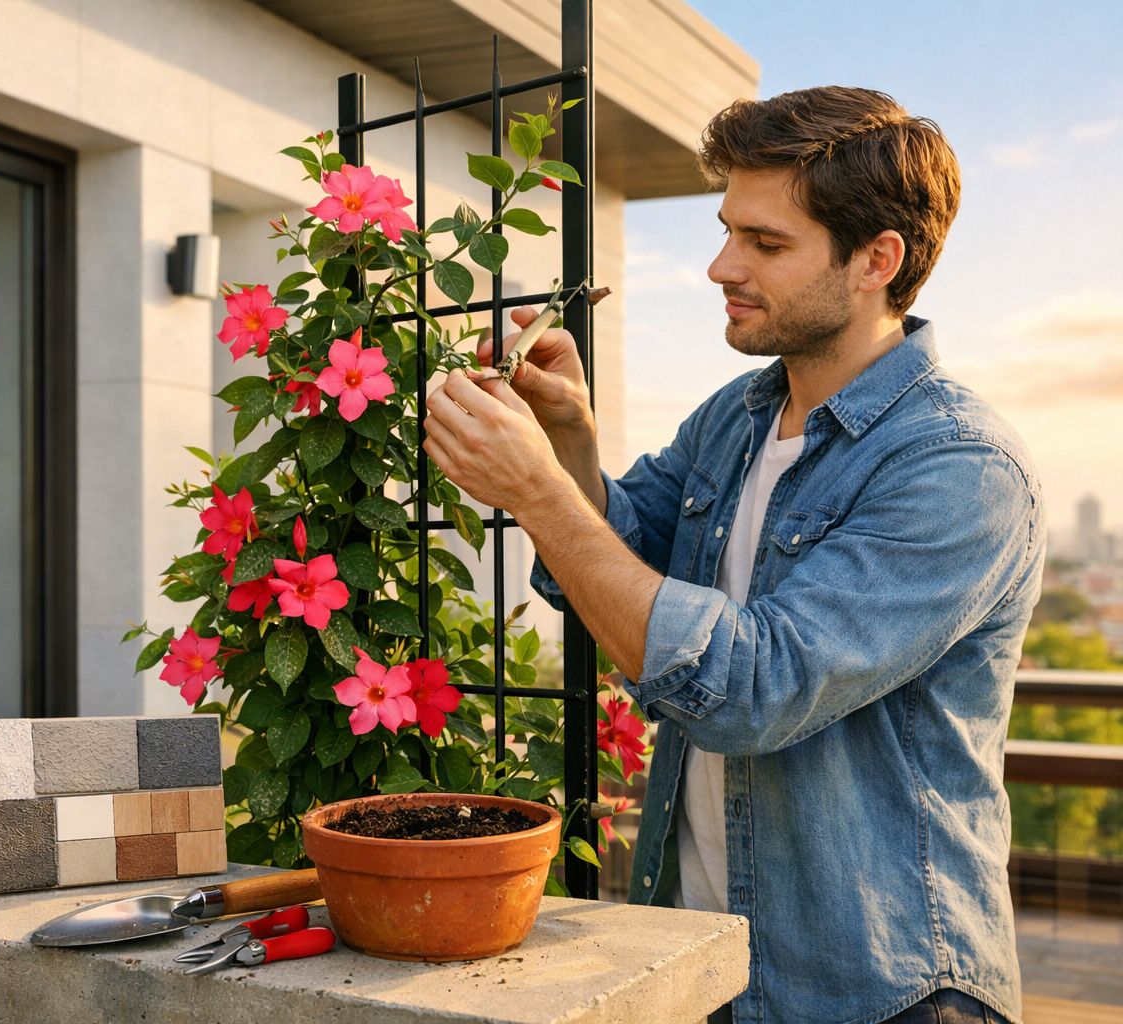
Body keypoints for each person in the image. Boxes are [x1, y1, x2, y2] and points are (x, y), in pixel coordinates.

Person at [422, 86, 1042, 1024]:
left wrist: (540, 494)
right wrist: (572, 449)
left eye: (766, 243)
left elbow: (750, 687)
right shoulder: (738, 415)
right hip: (709, 963)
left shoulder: (960, 468)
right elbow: (620, 569)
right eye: (727, 231)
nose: (721, 265)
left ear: (879, 260)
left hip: (881, 987)